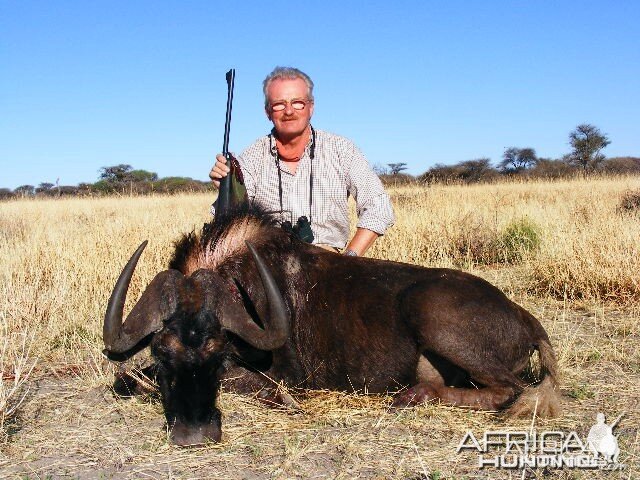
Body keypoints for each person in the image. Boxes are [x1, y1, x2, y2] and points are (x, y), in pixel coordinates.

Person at [209, 66, 394, 256]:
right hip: (269, 265)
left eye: (297, 103)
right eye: (279, 104)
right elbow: (231, 223)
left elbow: (378, 208)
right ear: (268, 112)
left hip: (328, 262)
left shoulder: (342, 149)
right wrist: (227, 188)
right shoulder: (251, 157)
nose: (289, 111)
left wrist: (349, 260)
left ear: (311, 107)